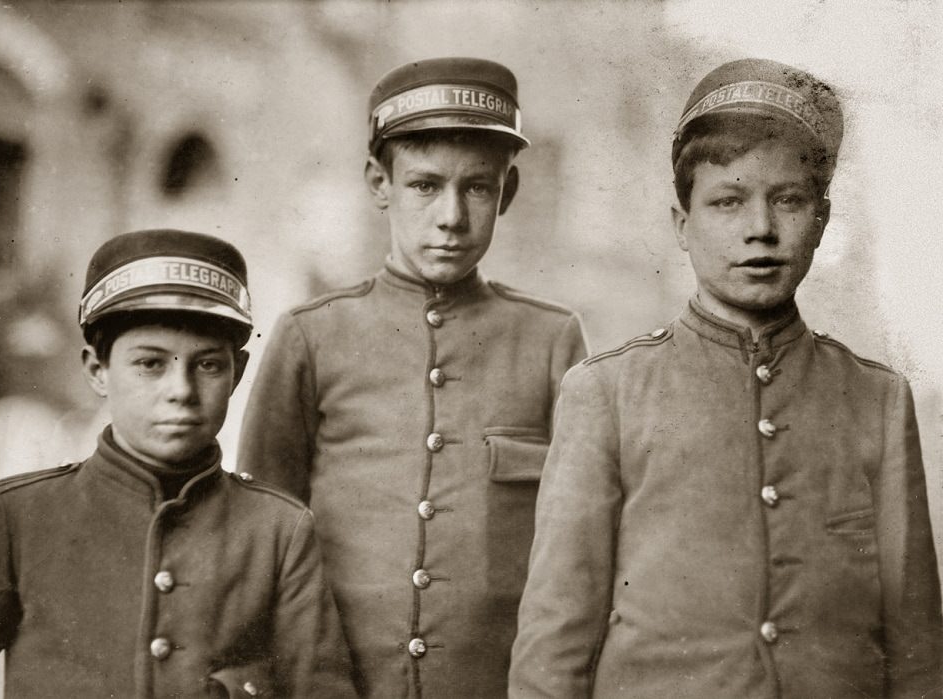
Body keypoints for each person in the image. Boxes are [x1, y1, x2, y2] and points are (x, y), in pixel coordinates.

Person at [510, 58, 942, 697]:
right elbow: (554, 649)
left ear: (821, 221)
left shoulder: (876, 399)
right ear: (682, 225)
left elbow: (917, 654)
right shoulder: (608, 393)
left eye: (788, 200)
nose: (760, 230)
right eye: (727, 201)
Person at [238, 57, 588, 697]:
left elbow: (573, 552)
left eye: (477, 188)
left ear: (507, 193)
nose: (451, 215)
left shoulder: (551, 340)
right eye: (425, 185)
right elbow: (261, 535)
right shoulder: (311, 335)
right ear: (380, 183)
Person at [0, 229, 355, 698]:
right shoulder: (20, 516)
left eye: (207, 365)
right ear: (97, 371)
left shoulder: (278, 531)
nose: (180, 390)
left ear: (237, 375)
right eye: (151, 364)